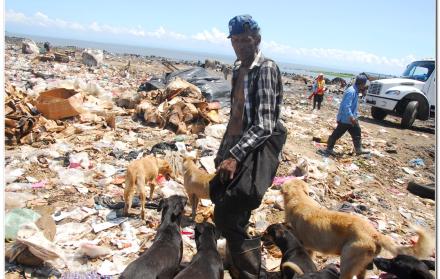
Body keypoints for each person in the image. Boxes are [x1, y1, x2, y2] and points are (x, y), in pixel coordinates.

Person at [209, 15, 287, 279]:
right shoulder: (236, 69)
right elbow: (236, 115)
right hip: (234, 147)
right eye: (236, 40)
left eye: (246, 40)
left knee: (230, 214)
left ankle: (251, 273)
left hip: (251, 152)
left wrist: (235, 156)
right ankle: (237, 265)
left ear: (257, 40)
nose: (241, 45)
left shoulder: (265, 68)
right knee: (224, 206)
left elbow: (265, 124)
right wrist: (223, 152)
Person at [318, 74, 370, 156]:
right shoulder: (351, 91)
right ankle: (328, 149)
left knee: (357, 132)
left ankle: (358, 149)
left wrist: (354, 116)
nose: (364, 86)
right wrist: (351, 117)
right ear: (362, 84)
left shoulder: (355, 90)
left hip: (351, 118)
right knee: (336, 134)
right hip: (346, 118)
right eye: (364, 84)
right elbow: (346, 106)